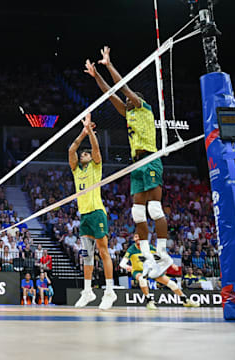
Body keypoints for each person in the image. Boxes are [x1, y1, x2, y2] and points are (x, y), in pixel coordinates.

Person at [85, 46, 171, 279]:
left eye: (130, 97)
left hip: (150, 159)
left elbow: (123, 86)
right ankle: (150, 259)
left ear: (137, 100)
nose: (126, 98)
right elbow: (109, 93)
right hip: (136, 165)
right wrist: (96, 76)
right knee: (137, 214)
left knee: (154, 209)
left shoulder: (143, 109)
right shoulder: (128, 112)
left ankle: (163, 255)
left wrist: (109, 64)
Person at [69, 113, 117, 310]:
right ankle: (87, 291)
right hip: (85, 216)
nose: (83, 155)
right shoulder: (76, 170)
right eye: (83, 154)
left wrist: (91, 132)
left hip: (97, 212)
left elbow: (96, 148)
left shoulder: (95, 168)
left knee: (103, 251)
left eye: (85, 154)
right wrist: (82, 132)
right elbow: (72, 149)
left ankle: (109, 291)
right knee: (86, 255)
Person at [120, 234, 199, 309]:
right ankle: (149, 301)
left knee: (172, 284)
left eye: (139, 236)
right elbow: (122, 264)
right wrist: (128, 267)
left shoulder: (149, 247)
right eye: (136, 237)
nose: (138, 238)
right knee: (142, 279)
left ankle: (185, 300)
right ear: (134, 239)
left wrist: (171, 264)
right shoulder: (131, 249)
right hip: (138, 271)